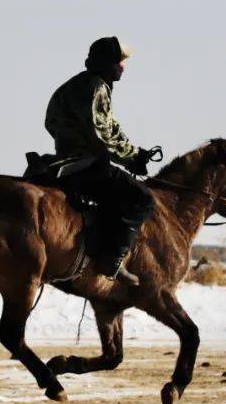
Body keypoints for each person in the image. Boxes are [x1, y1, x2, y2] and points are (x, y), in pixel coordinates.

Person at [43, 37, 159, 286]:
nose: (123, 67)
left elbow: (53, 123)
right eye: (120, 62)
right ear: (107, 63)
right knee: (142, 199)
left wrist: (133, 153)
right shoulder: (96, 87)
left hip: (66, 160)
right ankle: (112, 260)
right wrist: (131, 156)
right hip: (85, 163)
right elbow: (101, 134)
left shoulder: (78, 85)